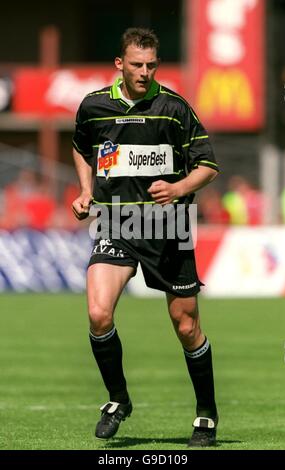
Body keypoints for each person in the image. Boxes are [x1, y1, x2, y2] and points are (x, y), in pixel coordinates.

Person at [72, 27, 219, 447]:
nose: (144, 72)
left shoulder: (173, 108)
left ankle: (206, 414)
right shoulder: (94, 106)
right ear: (120, 64)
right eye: (137, 65)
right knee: (99, 314)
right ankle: (118, 399)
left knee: (186, 327)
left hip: (166, 228)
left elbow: (207, 164)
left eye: (151, 65)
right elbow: (81, 147)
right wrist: (86, 190)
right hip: (115, 223)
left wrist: (178, 189)